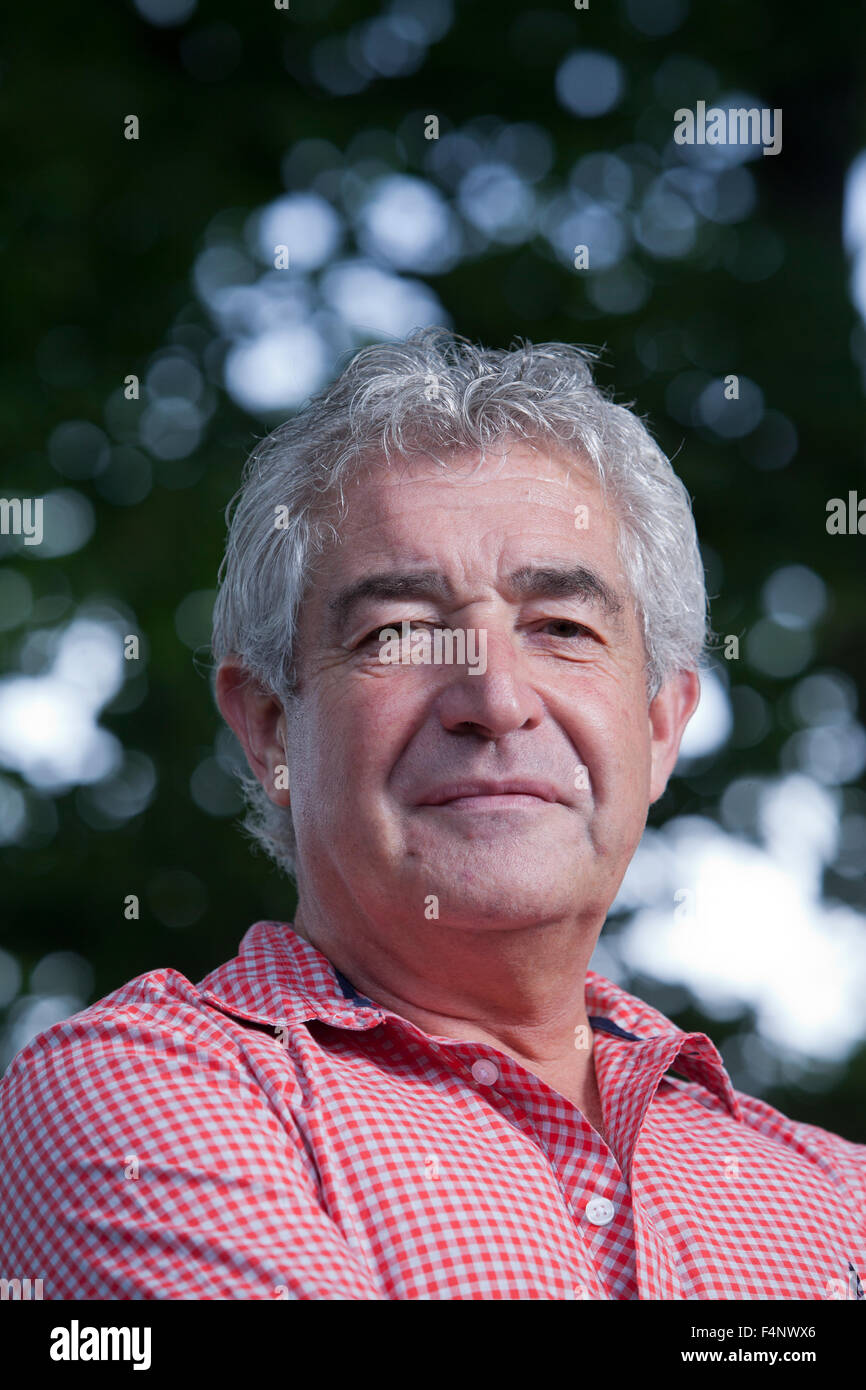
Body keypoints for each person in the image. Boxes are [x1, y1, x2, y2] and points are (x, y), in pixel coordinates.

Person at [1, 328, 863, 1300]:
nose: (494, 698)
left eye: (562, 629)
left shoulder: (841, 1194)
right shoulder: (135, 1094)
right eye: (399, 631)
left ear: (661, 727)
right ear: (271, 728)